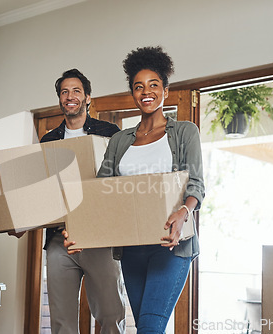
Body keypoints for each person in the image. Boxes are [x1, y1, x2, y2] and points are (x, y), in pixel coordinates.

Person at [64, 47, 205, 333]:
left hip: (171, 246)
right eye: (138, 87)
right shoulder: (119, 140)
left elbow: (196, 184)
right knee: (144, 326)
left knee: (150, 329)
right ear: (132, 93)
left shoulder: (184, 132)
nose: (146, 92)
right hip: (131, 251)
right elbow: (102, 193)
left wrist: (184, 210)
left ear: (165, 89)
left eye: (154, 85)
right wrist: (83, 232)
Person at [13, 69, 126, 333]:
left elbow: (119, 184)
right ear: (60, 100)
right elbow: (41, 193)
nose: (70, 96)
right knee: (61, 322)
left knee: (111, 316)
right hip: (59, 240)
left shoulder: (109, 133)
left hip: (100, 238)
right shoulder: (48, 140)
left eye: (76, 91)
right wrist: (21, 220)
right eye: (64, 92)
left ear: (88, 97)